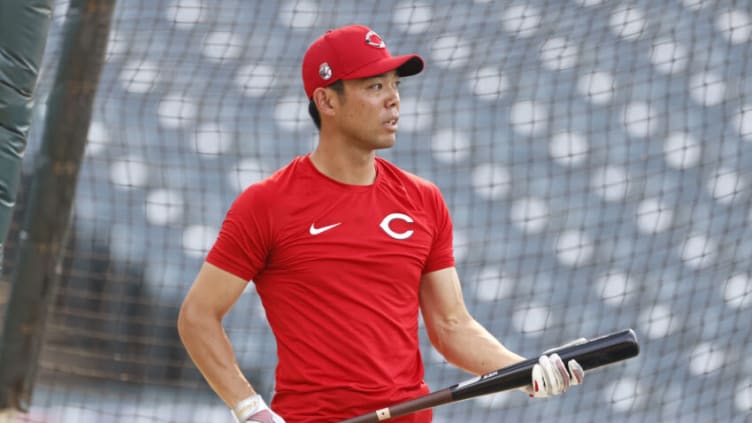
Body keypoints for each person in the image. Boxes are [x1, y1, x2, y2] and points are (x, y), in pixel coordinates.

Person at [177, 24, 584, 423]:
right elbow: (197, 316)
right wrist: (251, 410)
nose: (393, 100)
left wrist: (524, 371)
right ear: (327, 101)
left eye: (395, 86)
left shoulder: (424, 200)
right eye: (375, 87)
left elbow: (451, 325)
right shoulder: (266, 204)